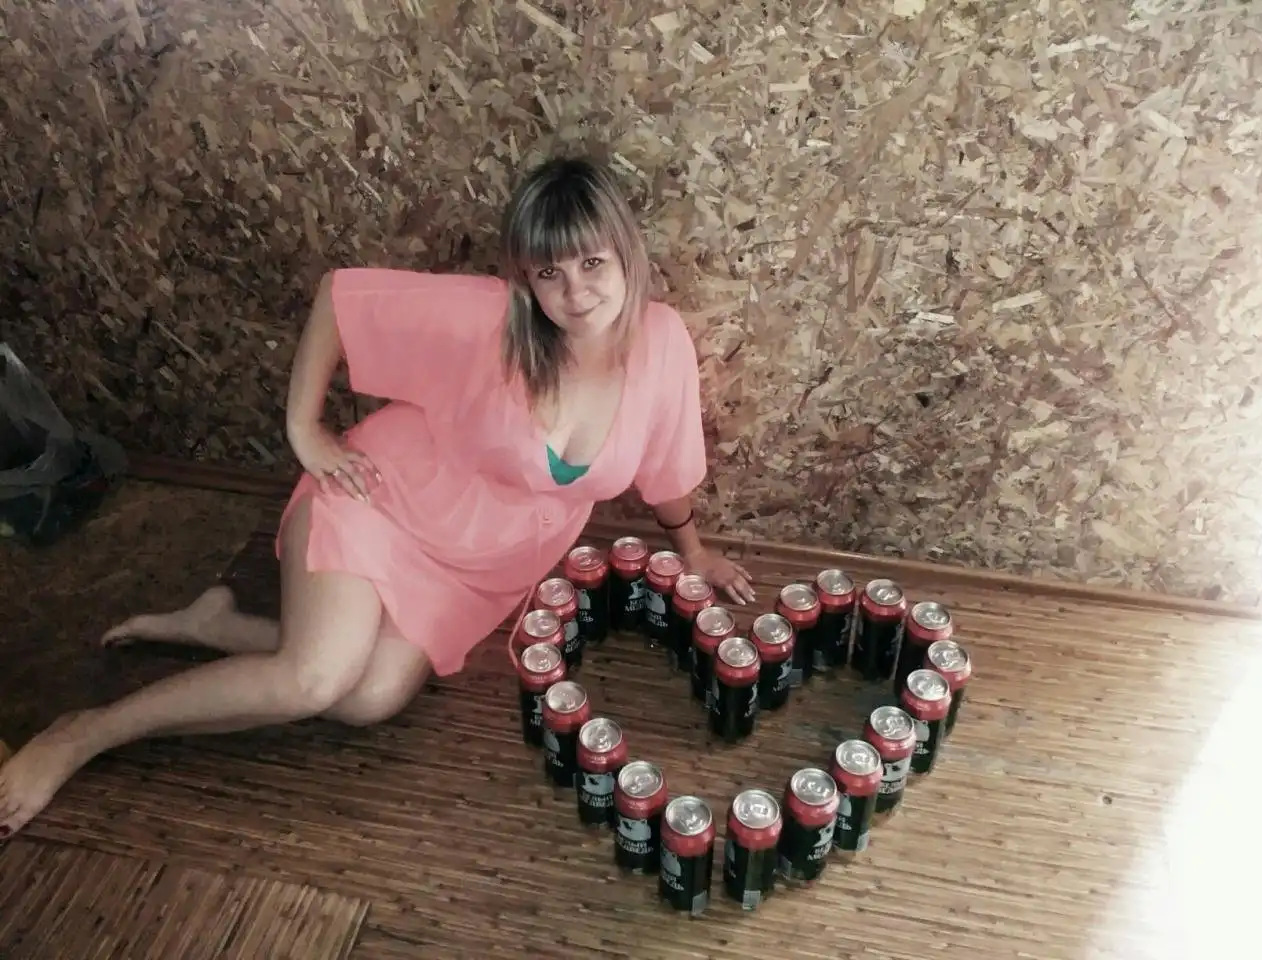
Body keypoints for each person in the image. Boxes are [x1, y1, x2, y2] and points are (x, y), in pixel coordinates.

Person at [0, 154, 756, 839]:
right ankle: (83, 734)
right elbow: (340, 296)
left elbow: (667, 466)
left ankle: (219, 625)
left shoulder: (661, 343)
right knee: (313, 681)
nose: (576, 292)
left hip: (479, 566)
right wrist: (305, 430)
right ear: (525, 277)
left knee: (367, 699)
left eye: (592, 263)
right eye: (548, 272)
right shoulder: (495, 319)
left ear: (626, 252)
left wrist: (694, 552)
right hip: (383, 499)